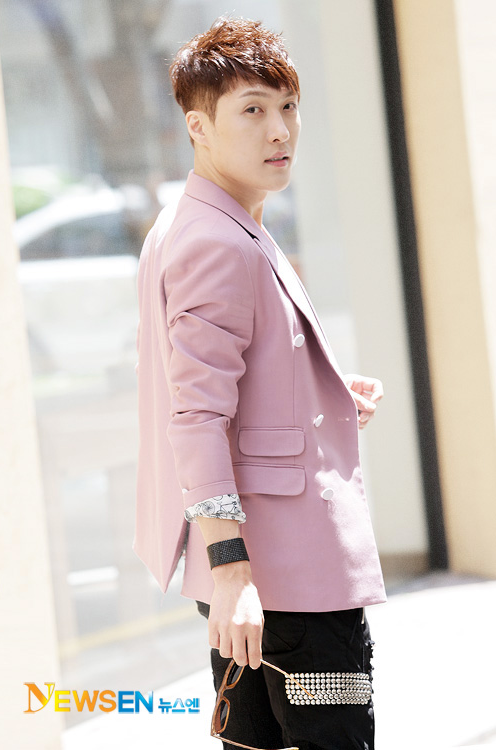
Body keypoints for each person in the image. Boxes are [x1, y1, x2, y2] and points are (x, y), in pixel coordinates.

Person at [134, 16, 386, 750]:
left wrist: (320, 392)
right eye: (252, 110)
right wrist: (231, 570)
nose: (280, 130)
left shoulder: (197, 221)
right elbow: (195, 416)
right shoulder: (218, 242)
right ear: (198, 127)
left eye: (287, 107)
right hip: (284, 579)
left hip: (253, 578)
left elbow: (223, 383)